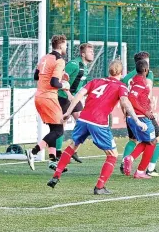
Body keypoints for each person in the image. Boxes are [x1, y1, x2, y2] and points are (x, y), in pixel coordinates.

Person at [46, 60, 147, 195]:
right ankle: (99, 187)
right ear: (121, 73)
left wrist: (68, 112)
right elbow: (125, 102)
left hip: (83, 119)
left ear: (109, 70)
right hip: (98, 122)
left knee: (72, 146)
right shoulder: (121, 86)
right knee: (112, 155)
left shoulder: (95, 81)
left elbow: (79, 95)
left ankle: (56, 175)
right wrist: (137, 120)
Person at [26, 35, 70, 171]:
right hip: (49, 98)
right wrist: (64, 84)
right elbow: (54, 83)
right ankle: (33, 152)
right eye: (66, 45)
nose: (66, 47)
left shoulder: (44, 58)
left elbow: (36, 76)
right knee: (58, 130)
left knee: (53, 129)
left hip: (39, 96)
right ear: (61, 45)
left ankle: (52, 160)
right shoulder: (59, 60)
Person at [120, 52, 159, 177]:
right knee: (155, 140)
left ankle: (127, 161)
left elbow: (124, 96)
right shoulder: (144, 77)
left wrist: (125, 110)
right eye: (147, 62)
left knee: (135, 139)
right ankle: (148, 169)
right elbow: (135, 96)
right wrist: (147, 109)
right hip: (141, 115)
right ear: (144, 66)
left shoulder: (128, 77)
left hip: (130, 113)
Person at [54, 43, 94, 166]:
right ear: (83, 54)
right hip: (64, 97)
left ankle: (72, 150)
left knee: (83, 123)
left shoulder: (85, 66)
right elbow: (62, 79)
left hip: (74, 99)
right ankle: (58, 153)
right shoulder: (73, 64)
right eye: (90, 52)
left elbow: (79, 85)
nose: (92, 54)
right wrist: (69, 95)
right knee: (61, 125)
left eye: (92, 52)